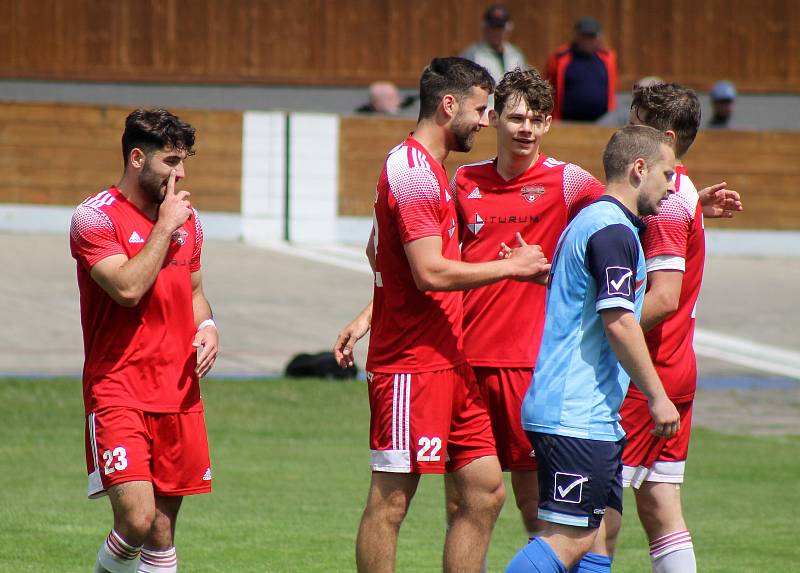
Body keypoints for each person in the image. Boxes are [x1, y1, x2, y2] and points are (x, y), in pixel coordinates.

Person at [333, 57, 551, 573]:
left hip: (451, 361)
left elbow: (378, 251)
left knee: (485, 492)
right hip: (412, 363)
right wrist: (513, 268)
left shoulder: (432, 170)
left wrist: (372, 307)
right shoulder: (413, 173)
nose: (485, 120)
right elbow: (430, 271)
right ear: (448, 104)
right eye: (480, 109)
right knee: (390, 502)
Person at [576, 82, 744, 573]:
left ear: (665, 134)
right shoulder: (679, 190)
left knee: (597, 507)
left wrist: (602, 321)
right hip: (673, 366)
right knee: (659, 503)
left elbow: (666, 297)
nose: (625, 127)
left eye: (636, 119)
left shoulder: (667, 200)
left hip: (647, 371)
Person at [505, 125, 682, 572]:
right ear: (639, 169)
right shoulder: (613, 232)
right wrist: (659, 396)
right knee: (571, 538)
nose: (671, 186)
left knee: (598, 538)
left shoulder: (591, 223)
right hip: (574, 413)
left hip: (590, 415)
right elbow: (620, 323)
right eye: (667, 173)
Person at [449, 67, 605, 541]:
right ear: (494, 117)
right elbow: (433, 263)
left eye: (537, 120)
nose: (526, 130)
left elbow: (622, 219)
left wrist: (688, 204)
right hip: (464, 363)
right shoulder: (462, 180)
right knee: (465, 502)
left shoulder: (569, 181)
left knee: (536, 503)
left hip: (532, 366)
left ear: (549, 124)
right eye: (517, 118)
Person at [70, 108, 219, 573]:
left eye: (183, 162)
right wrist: (164, 227)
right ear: (138, 158)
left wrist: (208, 328)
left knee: (161, 532)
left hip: (177, 393)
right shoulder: (94, 219)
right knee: (135, 520)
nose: (181, 173)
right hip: (119, 391)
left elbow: (194, 293)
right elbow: (128, 289)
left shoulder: (187, 222)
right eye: (171, 162)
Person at [546, 16, 617, 122]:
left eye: (592, 36)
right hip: (566, 120)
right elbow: (548, 86)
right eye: (584, 36)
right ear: (577, 36)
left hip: (601, 120)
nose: (588, 40)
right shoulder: (560, 57)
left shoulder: (608, 57)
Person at [461, 4, 528, 83]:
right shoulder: (472, 55)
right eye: (493, 28)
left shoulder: (516, 55)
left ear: (508, 29)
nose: (496, 32)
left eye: (500, 28)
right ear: (485, 28)